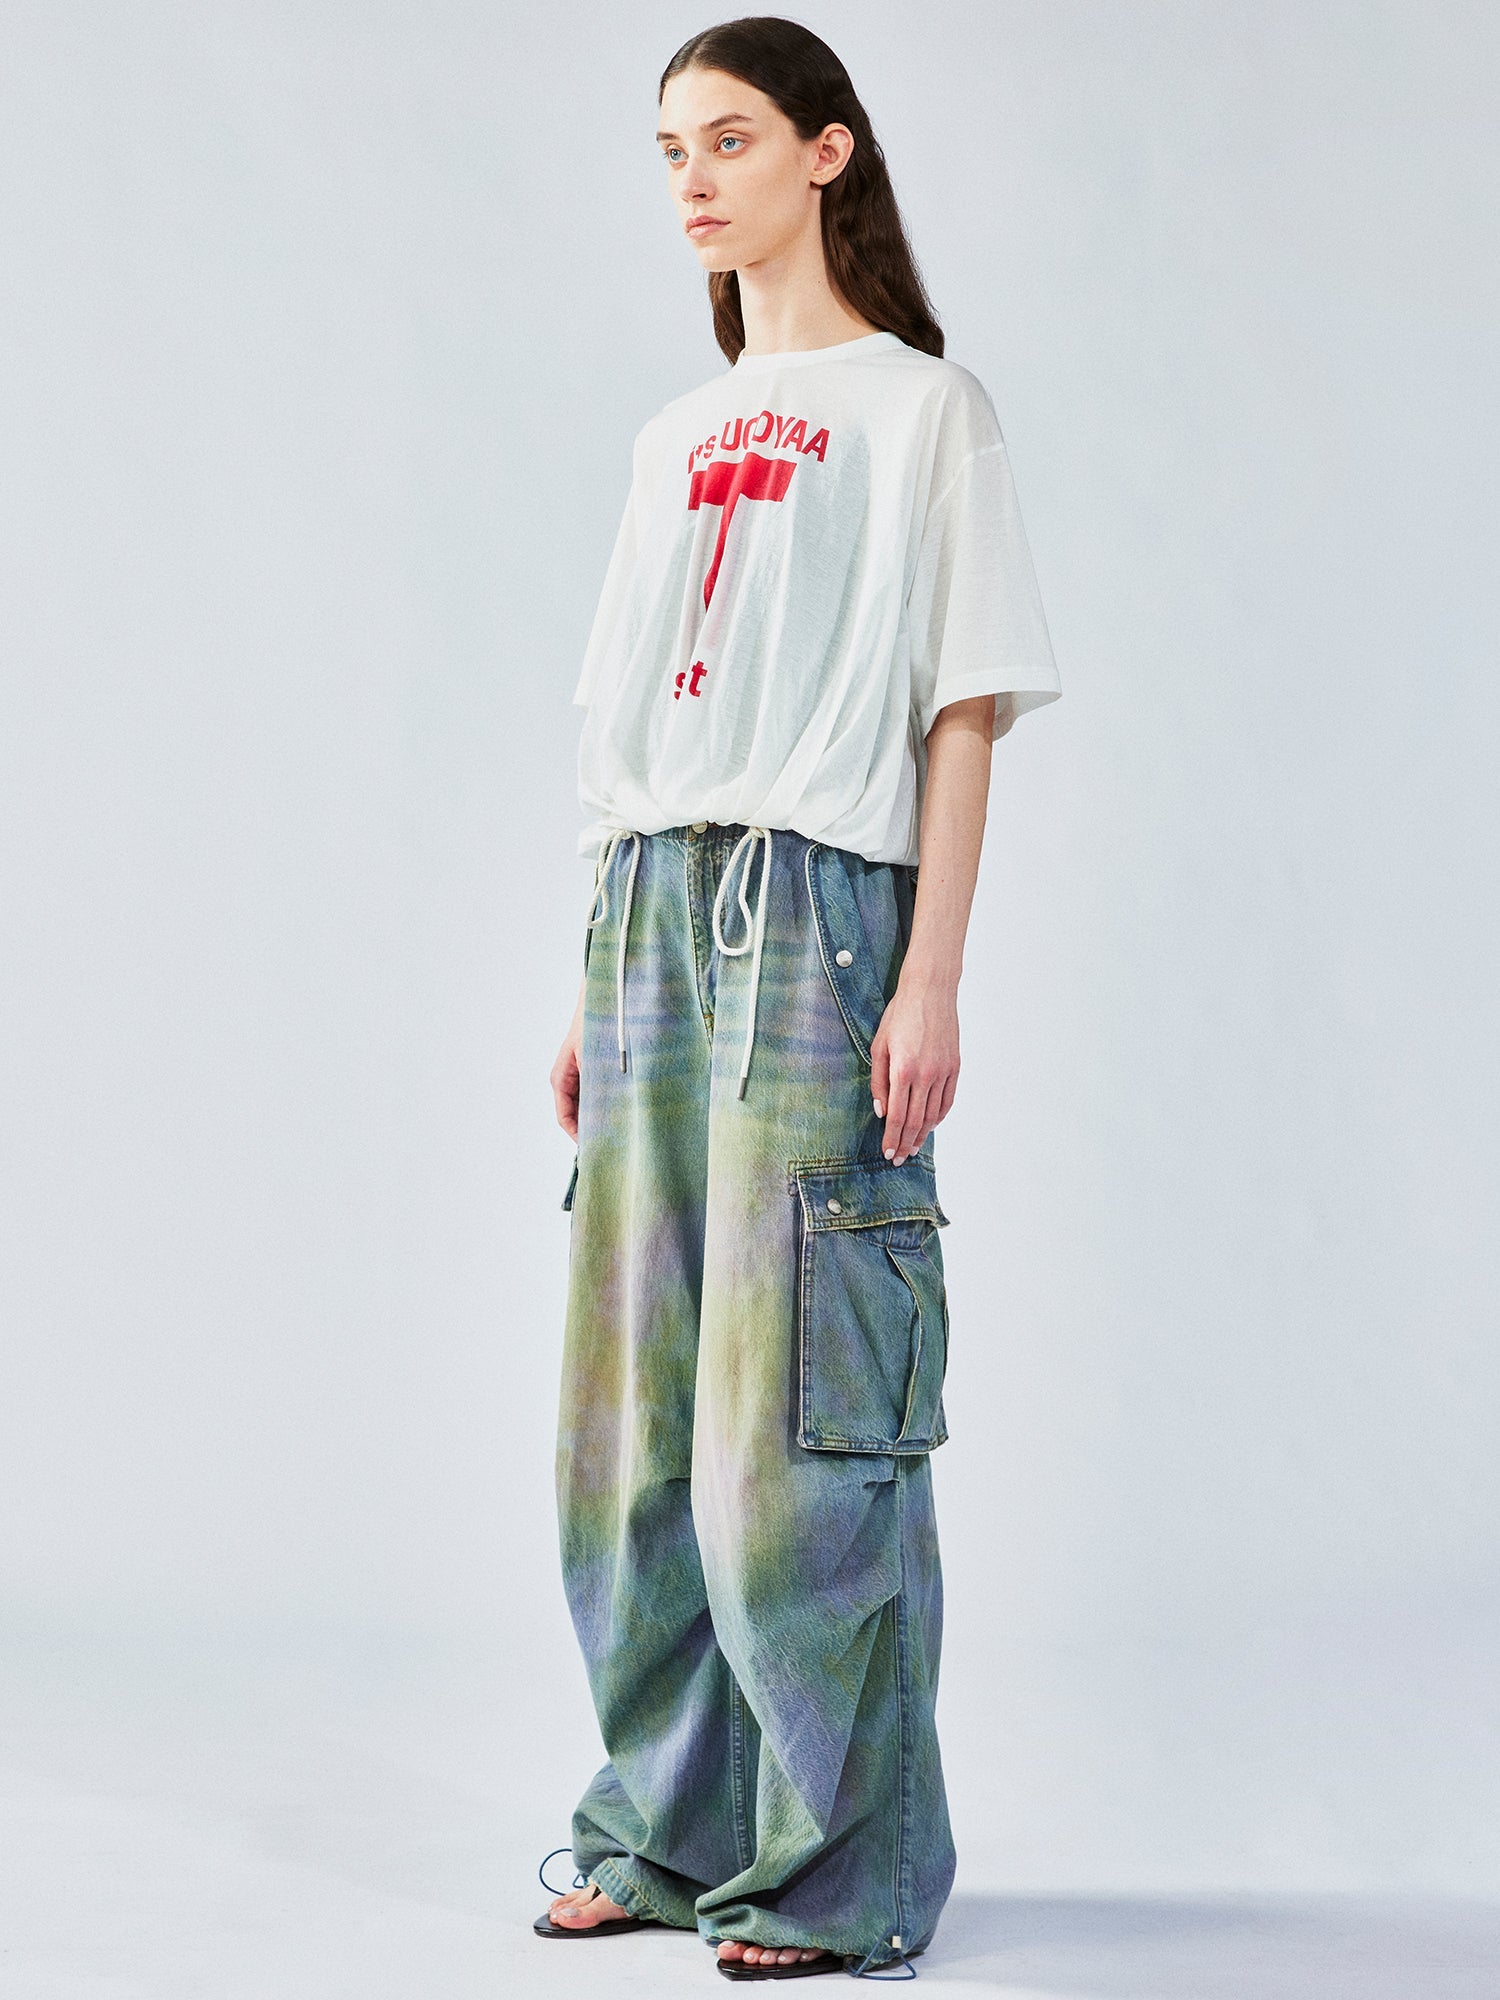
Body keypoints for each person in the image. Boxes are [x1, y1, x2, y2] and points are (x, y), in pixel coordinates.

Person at [536, 15, 1061, 1983]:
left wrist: (934, 973)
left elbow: (962, 703)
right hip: (648, 913)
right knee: (626, 1430)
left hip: (821, 916)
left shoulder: (927, 408)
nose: (692, 177)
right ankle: (667, 1829)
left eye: (732, 137)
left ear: (828, 151)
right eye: (671, 146)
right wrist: (591, 972)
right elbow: (630, 719)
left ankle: (842, 1867)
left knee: (800, 1427)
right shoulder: (673, 434)